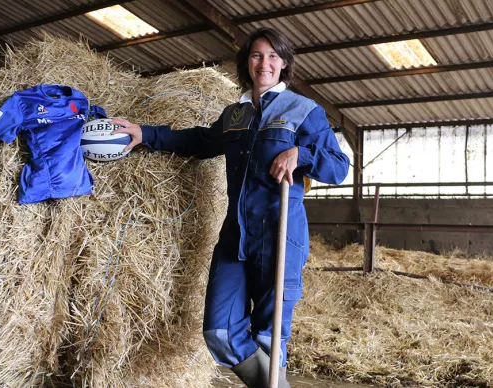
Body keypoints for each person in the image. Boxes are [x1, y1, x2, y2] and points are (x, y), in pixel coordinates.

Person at [112, 27, 349, 388]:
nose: (264, 63)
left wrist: (302, 152)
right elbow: (201, 140)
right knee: (219, 331)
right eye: (256, 55)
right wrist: (147, 134)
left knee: (270, 338)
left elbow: (338, 167)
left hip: (281, 234)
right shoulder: (235, 114)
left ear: (284, 63)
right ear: (247, 63)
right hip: (235, 236)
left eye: (272, 56)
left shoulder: (305, 111)